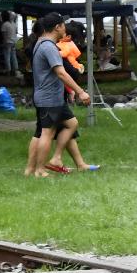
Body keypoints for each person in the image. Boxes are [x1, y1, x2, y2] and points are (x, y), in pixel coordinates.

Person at [28, 12, 91, 177]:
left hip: (52, 97)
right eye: (63, 25)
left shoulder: (42, 43)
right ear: (57, 27)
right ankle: (40, 170)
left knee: (71, 124)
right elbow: (61, 73)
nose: (65, 28)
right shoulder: (48, 46)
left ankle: (55, 159)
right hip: (49, 98)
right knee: (46, 133)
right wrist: (80, 92)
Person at [0, 10, 18, 77]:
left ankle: (8, 72)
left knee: (7, 57)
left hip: (7, 42)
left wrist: (3, 44)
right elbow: (16, 33)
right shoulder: (14, 24)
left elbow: (4, 36)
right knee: (14, 56)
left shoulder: (4, 24)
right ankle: (16, 70)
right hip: (14, 42)